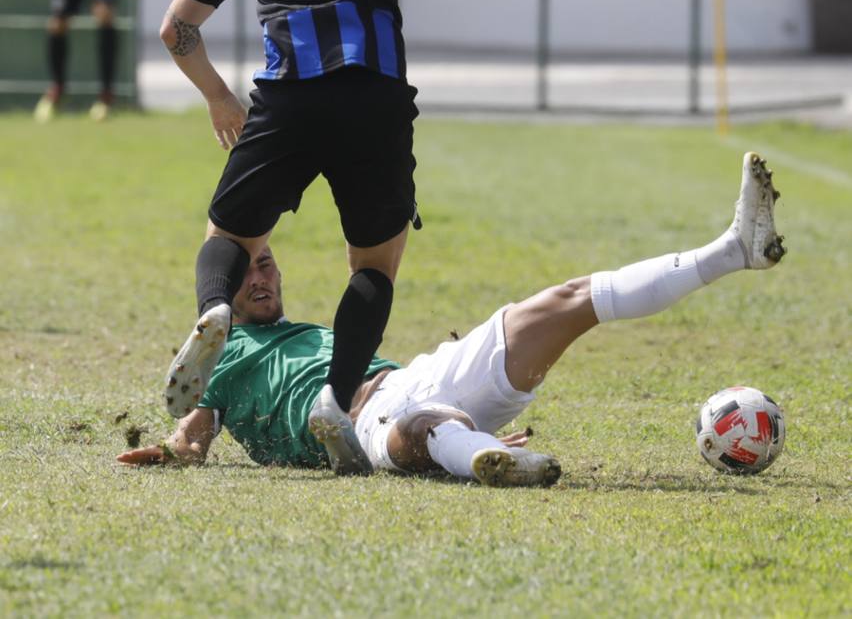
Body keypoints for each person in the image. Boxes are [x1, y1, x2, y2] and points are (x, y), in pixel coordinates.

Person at [159, 0, 638, 475]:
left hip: (286, 98)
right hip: (374, 98)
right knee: (373, 268)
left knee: (229, 241)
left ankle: (215, 313)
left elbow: (176, 28)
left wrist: (217, 96)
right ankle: (335, 397)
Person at [120, 152, 786, 485]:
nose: (260, 274)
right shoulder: (220, 359)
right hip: (362, 429)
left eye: (267, 263)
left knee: (563, 302)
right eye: (247, 268)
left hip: (414, 374)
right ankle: (480, 454)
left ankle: (731, 250)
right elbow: (192, 437)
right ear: (224, 286)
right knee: (421, 428)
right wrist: (169, 453)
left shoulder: (319, 331)